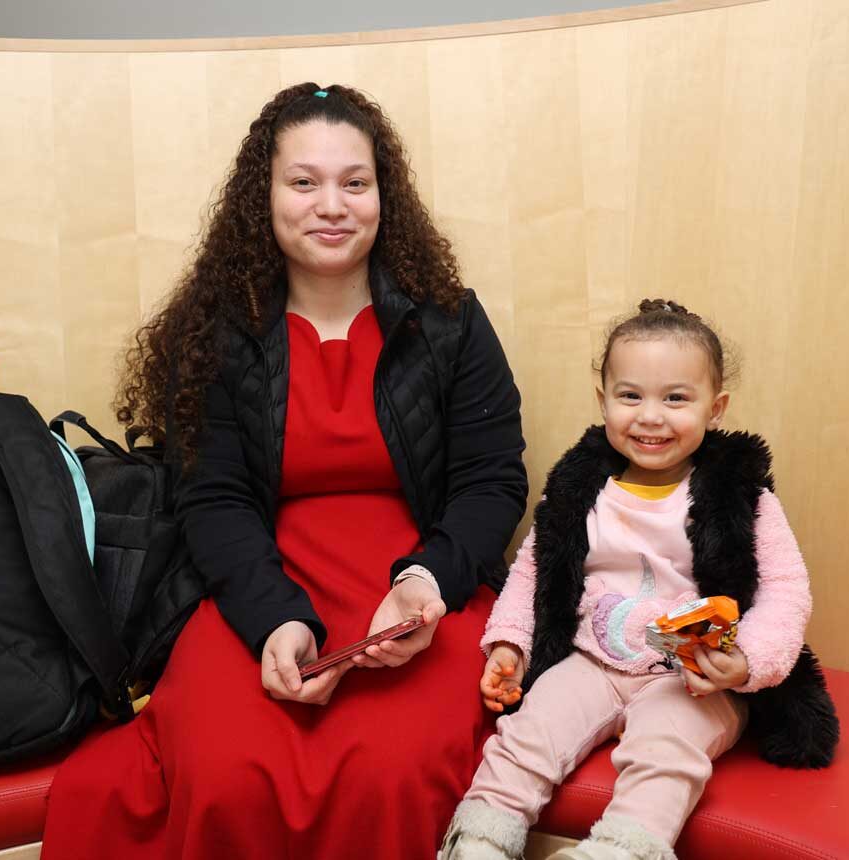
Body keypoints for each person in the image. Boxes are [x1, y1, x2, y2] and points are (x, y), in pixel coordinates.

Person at [41, 82, 527, 859]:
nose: (330, 204)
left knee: (390, 771)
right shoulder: (219, 330)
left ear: (383, 195)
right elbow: (213, 499)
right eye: (304, 182)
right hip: (253, 581)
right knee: (227, 770)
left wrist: (426, 583)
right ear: (262, 196)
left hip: (425, 587)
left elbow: (492, 481)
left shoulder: (451, 318)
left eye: (354, 182)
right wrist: (276, 618)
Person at [439, 300, 839, 860]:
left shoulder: (743, 498)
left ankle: (621, 851)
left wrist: (745, 660)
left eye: (676, 398)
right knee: (528, 734)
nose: (651, 416)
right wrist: (511, 645)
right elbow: (534, 572)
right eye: (630, 396)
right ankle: (480, 838)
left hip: (693, 676)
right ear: (603, 402)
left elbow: (786, 593)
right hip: (591, 660)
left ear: (715, 407)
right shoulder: (579, 490)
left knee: (666, 750)